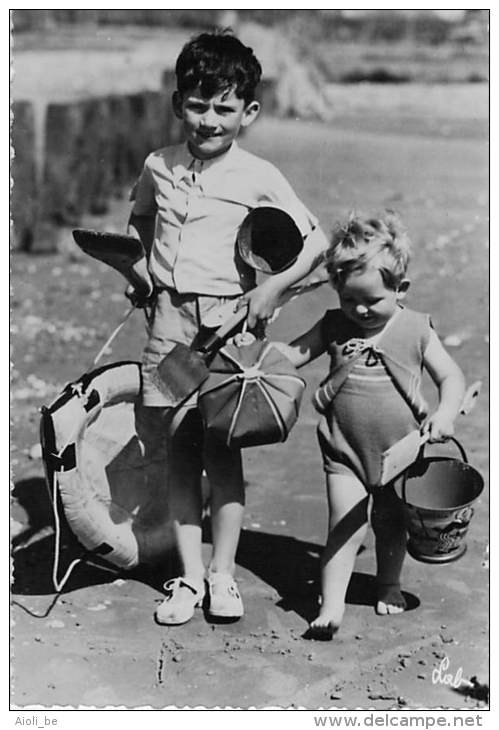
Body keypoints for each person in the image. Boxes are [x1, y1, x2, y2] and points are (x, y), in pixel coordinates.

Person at [126, 30, 329, 625]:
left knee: (224, 452)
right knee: (181, 452)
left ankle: (223, 575)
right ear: (177, 103)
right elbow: (139, 220)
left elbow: (313, 241)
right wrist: (140, 273)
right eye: (196, 104)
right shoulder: (157, 166)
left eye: (224, 107)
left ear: (249, 112)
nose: (209, 119)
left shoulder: (258, 174)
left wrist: (268, 290)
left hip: (228, 326)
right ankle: (188, 578)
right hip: (169, 321)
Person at [273, 212, 465, 639]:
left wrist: (445, 413)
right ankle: (332, 604)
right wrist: (260, 355)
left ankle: (389, 583)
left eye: (372, 301)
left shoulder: (415, 329)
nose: (359, 310)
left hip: (402, 453)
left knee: (391, 524)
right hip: (344, 450)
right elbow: (294, 355)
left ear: (401, 290)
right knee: (345, 522)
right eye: (349, 299)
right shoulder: (334, 326)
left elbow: (451, 378)